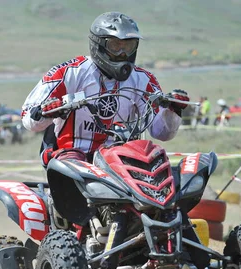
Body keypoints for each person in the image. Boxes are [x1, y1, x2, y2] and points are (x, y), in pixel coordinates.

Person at [21, 11, 189, 167]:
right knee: (73, 160)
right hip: (70, 155)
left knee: (154, 159)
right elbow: (28, 120)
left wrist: (173, 111)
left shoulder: (144, 80)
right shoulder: (68, 72)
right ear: (98, 45)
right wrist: (46, 112)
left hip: (120, 160)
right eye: (116, 46)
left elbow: (162, 133)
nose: (123, 53)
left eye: (128, 46)